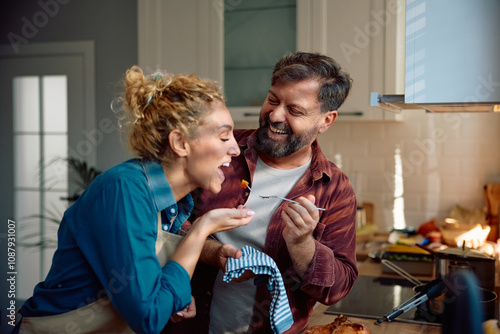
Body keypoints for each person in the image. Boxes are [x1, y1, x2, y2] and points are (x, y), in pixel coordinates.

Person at [13, 66, 254, 334]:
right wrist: (203, 228)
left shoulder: (175, 203)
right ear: (181, 143)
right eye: (224, 136)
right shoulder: (123, 190)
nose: (234, 148)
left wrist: (174, 297)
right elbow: (148, 318)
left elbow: (145, 287)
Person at [163, 51, 358, 334]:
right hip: (189, 324)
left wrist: (303, 244)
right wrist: (211, 252)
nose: (275, 115)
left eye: (295, 110)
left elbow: (336, 289)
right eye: (273, 100)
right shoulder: (219, 148)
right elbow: (164, 222)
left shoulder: (335, 189)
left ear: (326, 120)